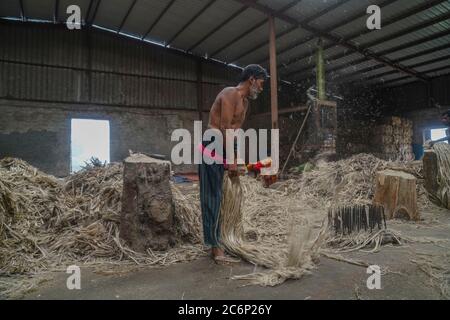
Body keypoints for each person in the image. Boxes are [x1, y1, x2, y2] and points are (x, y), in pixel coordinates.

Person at [199, 64, 267, 264]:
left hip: (225, 147)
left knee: (223, 196)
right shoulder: (230, 93)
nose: (261, 89)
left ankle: (223, 238)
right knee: (212, 196)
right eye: (261, 84)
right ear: (252, 79)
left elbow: (235, 133)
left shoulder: (245, 103)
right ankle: (215, 247)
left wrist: (237, 160)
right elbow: (224, 127)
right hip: (212, 145)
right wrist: (230, 161)